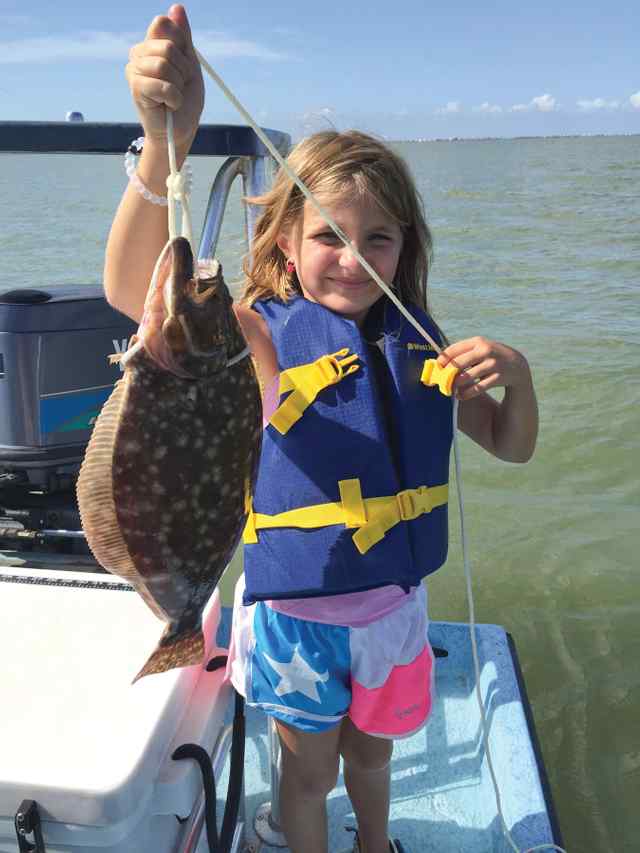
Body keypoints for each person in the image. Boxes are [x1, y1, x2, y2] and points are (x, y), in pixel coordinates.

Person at [105, 7, 539, 853]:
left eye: (378, 237)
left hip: (394, 614)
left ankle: (373, 843)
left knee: (372, 760)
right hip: (297, 621)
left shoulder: (419, 340)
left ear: (406, 246)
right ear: (286, 241)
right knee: (307, 776)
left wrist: (516, 375)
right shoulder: (254, 336)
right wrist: (163, 145)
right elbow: (132, 289)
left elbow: (509, 442)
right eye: (329, 236)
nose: (353, 256)